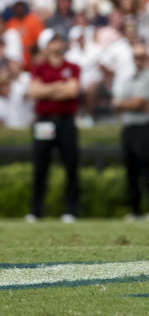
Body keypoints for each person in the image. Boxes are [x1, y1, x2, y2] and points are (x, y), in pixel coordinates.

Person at [27, 29, 81, 222]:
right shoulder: (39, 68)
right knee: (40, 164)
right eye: (52, 41)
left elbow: (72, 91)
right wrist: (59, 86)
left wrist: (47, 90)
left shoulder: (72, 67)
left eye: (58, 40)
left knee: (71, 165)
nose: (56, 44)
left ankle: (71, 210)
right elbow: (34, 91)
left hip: (65, 120)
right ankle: (35, 210)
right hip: (45, 120)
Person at [111, 43, 149, 220]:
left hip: (144, 128)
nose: (139, 60)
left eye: (142, 57)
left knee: (147, 169)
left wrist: (125, 104)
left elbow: (139, 103)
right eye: (136, 57)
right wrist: (129, 104)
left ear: (146, 58)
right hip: (129, 127)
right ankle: (135, 210)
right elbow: (117, 103)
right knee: (131, 170)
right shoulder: (127, 77)